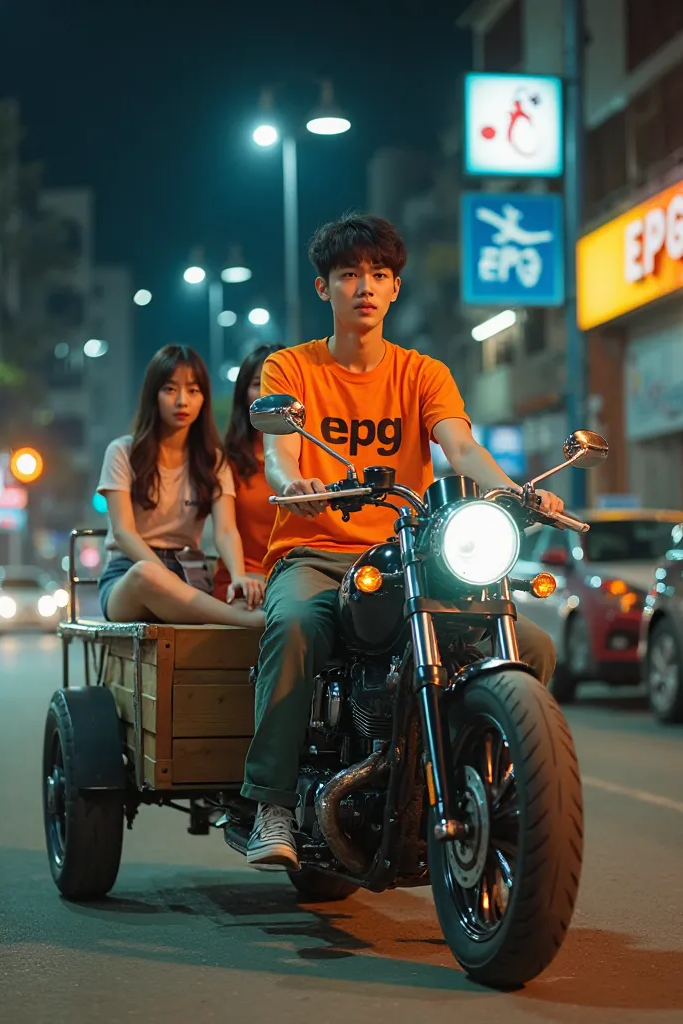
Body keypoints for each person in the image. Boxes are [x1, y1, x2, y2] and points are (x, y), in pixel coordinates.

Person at [242, 212, 565, 869]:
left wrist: (514, 492)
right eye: (349, 274)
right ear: (323, 287)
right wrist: (295, 480)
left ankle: (490, 778)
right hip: (317, 554)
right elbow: (278, 453)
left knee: (530, 644)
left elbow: (459, 444)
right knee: (298, 625)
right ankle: (271, 805)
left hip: (406, 556)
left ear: (395, 290)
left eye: (380, 275)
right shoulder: (290, 368)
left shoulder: (423, 373)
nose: (365, 286)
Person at [97, 344, 265, 628]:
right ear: (154, 395)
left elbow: (225, 530)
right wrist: (162, 574)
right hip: (127, 573)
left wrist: (239, 575)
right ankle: (243, 621)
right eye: (170, 389)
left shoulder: (213, 460)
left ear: (204, 399)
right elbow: (124, 531)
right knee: (146, 575)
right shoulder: (123, 452)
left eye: (193, 390)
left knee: (249, 593)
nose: (182, 401)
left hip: (189, 572)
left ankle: (241, 617)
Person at [212, 344, 284, 602]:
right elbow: (225, 529)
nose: (267, 393)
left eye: (277, 383)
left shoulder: (313, 457)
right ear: (243, 394)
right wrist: (241, 576)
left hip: (295, 580)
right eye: (257, 383)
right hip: (242, 581)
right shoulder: (227, 461)